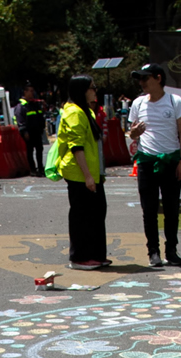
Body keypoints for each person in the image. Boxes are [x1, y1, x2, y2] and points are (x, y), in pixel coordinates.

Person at [126, 63, 181, 267]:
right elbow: (131, 133)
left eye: (145, 78)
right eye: (140, 79)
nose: (142, 83)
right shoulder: (137, 103)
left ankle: (172, 250)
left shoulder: (175, 101)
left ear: (158, 78)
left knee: (172, 209)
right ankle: (153, 251)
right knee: (149, 209)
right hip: (146, 161)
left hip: (170, 161)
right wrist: (135, 133)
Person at [56, 74, 108, 269]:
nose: (95, 91)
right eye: (92, 88)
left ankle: (96, 254)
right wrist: (87, 175)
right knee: (82, 216)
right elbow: (76, 146)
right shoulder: (74, 113)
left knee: (97, 213)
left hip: (92, 173)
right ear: (81, 90)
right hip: (79, 173)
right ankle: (79, 257)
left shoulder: (87, 111)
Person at [20, 84, 48, 173]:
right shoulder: (22, 105)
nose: (33, 93)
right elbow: (20, 119)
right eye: (30, 91)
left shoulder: (35, 104)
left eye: (33, 91)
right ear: (25, 92)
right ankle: (32, 169)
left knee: (39, 150)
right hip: (29, 132)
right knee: (30, 151)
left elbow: (40, 116)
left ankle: (40, 167)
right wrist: (24, 131)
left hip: (37, 131)